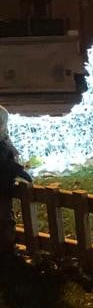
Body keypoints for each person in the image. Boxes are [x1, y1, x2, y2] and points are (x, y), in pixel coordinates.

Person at [0, 105, 32, 256]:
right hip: (2, 191)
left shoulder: (4, 142)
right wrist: (19, 170)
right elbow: (5, 164)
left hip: (4, 188)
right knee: (5, 219)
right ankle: (7, 249)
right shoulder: (2, 145)